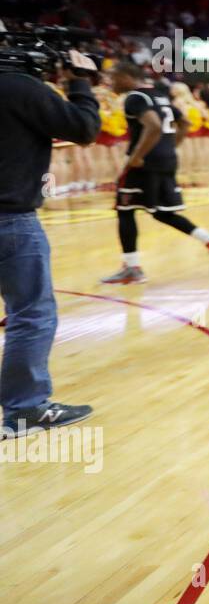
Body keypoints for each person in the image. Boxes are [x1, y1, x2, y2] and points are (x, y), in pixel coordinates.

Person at [1, 49, 101, 437]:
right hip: (10, 217)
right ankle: (24, 409)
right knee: (31, 313)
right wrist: (80, 82)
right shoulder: (20, 87)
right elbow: (84, 128)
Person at [99, 62, 209, 285]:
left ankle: (132, 268)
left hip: (145, 163)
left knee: (125, 209)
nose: (109, 82)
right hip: (166, 160)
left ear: (126, 76)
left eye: (112, 77)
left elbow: (153, 126)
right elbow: (185, 123)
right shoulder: (159, 95)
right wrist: (169, 147)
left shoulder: (135, 98)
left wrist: (137, 156)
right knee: (162, 212)